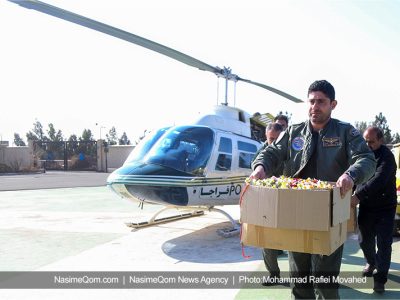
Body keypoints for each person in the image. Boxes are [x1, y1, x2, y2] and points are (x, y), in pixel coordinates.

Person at [250, 80, 376, 299]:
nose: (314, 107)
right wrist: (260, 167)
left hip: (329, 214)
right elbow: (271, 153)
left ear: (333, 104)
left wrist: (350, 175)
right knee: (299, 281)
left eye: (321, 102)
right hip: (295, 213)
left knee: (324, 283)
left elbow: (366, 159)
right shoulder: (293, 132)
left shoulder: (346, 132)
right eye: (311, 101)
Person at [351, 126, 397, 294]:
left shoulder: (388, 157)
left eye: (372, 142)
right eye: (366, 141)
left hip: (385, 208)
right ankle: (371, 262)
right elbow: (354, 174)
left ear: (380, 141)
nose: (368, 145)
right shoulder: (361, 155)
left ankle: (380, 279)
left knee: (384, 244)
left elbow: (379, 179)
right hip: (367, 206)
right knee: (364, 240)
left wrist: (358, 195)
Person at [257, 122, 285, 286]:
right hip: (268, 202)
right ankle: (273, 274)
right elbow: (255, 167)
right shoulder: (262, 153)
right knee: (266, 241)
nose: (273, 143)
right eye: (270, 139)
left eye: (276, 139)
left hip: (289, 201)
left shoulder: (289, 150)